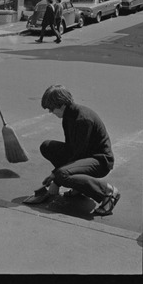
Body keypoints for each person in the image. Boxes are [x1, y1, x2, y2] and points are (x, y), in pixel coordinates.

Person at [25, 85, 121, 217]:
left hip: (100, 161)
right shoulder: (68, 115)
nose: (50, 112)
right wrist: (55, 176)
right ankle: (78, 187)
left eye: (51, 108)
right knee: (47, 146)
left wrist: (57, 180)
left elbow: (77, 154)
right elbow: (72, 149)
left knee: (62, 174)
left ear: (62, 105)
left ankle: (107, 193)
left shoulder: (82, 119)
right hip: (84, 156)